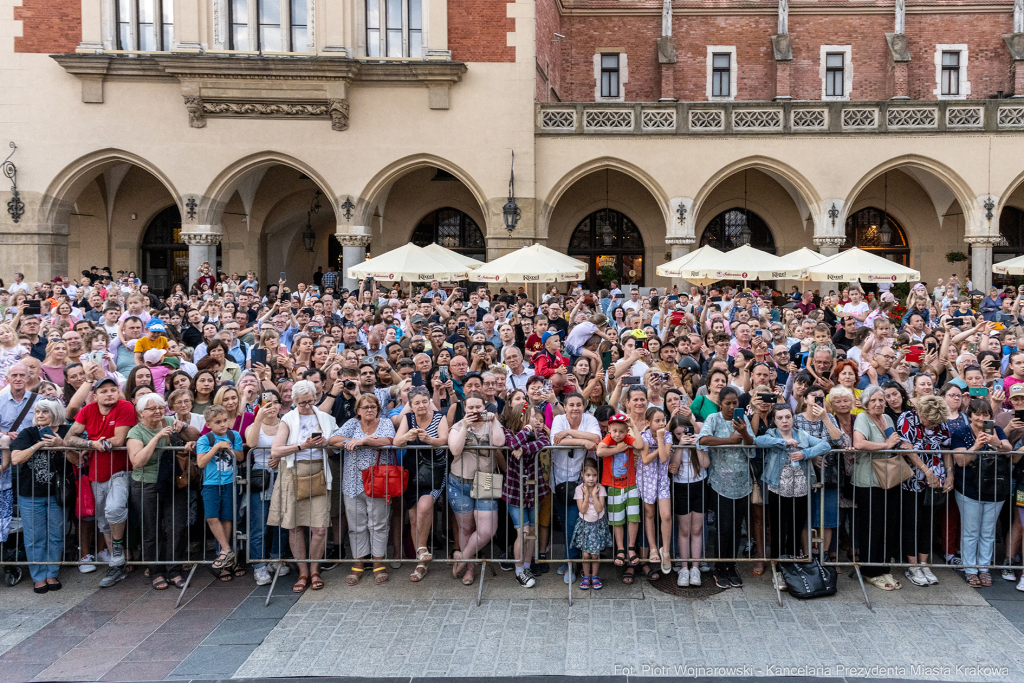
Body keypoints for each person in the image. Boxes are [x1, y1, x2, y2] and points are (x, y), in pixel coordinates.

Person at [64, 376, 137, 587]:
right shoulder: (88, 410)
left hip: (121, 470)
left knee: (114, 509)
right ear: (94, 395)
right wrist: (90, 442)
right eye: (103, 391)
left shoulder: (124, 406)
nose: (109, 394)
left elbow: (118, 440)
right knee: (104, 520)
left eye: (113, 389)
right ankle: (117, 566)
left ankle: (117, 555)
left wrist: (97, 442)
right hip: (96, 472)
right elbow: (70, 437)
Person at [126, 393, 199, 589]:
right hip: (146, 483)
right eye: (152, 409)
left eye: (160, 407)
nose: (158, 412)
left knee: (177, 526)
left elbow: (195, 436)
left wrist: (183, 426)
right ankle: (156, 571)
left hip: (173, 481)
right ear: (141, 412)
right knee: (151, 529)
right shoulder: (136, 432)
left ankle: (174, 569)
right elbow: (138, 461)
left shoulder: (170, 420)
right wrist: (157, 437)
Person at [270, 380, 337, 592]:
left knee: (319, 527)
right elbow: (275, 451)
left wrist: (327, 444)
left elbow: (335, 450)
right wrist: (302, 445)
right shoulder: (288, 419)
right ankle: (302, 571)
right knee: (295, 525)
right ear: (294, 401)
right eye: (302, 403)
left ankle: (315, 569)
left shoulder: (326, 418)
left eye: (311, 401)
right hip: (293, 472)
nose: (308, 406)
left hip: (319, 471)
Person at [754, 404, 830, 584]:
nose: (784, 421)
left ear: (793, 418)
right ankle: (779, 569)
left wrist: (806, 453)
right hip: (778, 488)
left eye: (787, 417)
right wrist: (784, 442)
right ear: (774, 420)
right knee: (779, 529)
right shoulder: (772, 434)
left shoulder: (802, 434)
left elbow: (825, 445)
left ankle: (793, 568)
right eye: (780, 418)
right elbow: (758, 441)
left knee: (796, 528)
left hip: (801, 488)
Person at [952, 399, 1019, 587]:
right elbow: (960, 462)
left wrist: (997, 443)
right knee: (971, 531)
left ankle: (984, 568)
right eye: (977, 414)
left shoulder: (996, 430)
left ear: (990, 415)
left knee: (988, 532)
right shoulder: (960, 433)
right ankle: (970, 569)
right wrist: (975, 446)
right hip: (969, 488)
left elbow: (1009, 449)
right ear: (970, 415)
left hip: (995, 488)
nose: (982, 418)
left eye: (985, 414)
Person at [8, 399, 72, 593]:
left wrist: (61, 444)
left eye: (45, 412)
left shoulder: (66, 431)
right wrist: (38, 446)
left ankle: (51, 573)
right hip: (31, 494)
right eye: (37, 412)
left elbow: (77, 459)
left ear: (55, 413)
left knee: (55, 535)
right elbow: (16, 458)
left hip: (58, 493)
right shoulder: (29, 433)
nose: (40, 415)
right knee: (34, 536)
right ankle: (38, 576)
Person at [697, 386, 754, 589]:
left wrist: (744, 433)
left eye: (735, 403)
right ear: (720, 403)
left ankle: (731, 566)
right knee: (724, 527)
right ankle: (719, 568)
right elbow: (702, 439)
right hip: (720, 483)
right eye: (728, 403)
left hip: (742, 483)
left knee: (737, 528)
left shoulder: (743, 420)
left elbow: (751, 447)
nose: (731, 407)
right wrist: (728, 440)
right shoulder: (713, 418)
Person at [447, 392, 506, 586]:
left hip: (486, 480)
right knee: (466, 529)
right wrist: (465, 425)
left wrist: (494, 420)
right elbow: (455, 450)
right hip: (459, 482)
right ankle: (470, 569)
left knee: (487, 530)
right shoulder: (457, 427)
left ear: (484, 407)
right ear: (465, 408)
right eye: (470, 407)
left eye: (478, 407)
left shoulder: (492, 424)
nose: (474, 411)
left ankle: (462, 559)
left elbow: (499, 443)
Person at [852, 384, 905, 591]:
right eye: (873, 400)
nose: (878, 403)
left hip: (888, 479)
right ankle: (870, 571)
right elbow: (859, 444)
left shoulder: (888, 418)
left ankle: (884, 568)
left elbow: (894, 441)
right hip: (868, 480)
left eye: (881, 400)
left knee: (888, 525)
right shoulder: (863, 418)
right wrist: (886, 445)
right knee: (872, 527)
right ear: (866, 402)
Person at [895, 394, 952, 586]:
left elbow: (946, 450)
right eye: (930, 421)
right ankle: (912, 566)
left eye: (937, 422)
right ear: (921, 413)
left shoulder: (940, 423)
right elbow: (907, 449)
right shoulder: (907, 418)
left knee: (928, 522)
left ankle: (924, 563)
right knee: (913, 522)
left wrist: (949, 474)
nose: (933, 424)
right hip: (913, 479)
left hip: (935, 480)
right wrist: (926, 471)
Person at [393, 386, 449, 582]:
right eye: (416, 402)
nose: (421, 405)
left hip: (434, 468)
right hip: (412, 468)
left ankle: (423, 548)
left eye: (424, 401)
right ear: (411, 405)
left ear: (429, 402)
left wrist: (430, 440)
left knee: (425, 507)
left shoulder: (439, 417)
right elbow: (396, 441)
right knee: (414, 517)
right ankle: (421, 561)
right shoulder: (408, 419)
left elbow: (444, 440)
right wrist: (407, 437)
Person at [501, 403, 550, 588]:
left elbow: (545, 443)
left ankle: (527, 566)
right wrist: (526, 431)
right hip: (515, 491)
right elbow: (512, 444)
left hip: (534, 490)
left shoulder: (538, 432)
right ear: (521, 418)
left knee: (532, 532)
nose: (536, 420)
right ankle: (519, 570)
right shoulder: (509, 432)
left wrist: (525, 448)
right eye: (531, 417)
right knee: (522, 531)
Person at [196, 405, 245, 581]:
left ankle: (226, 559)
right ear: (209, 424)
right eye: (218, 422)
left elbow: (240, 457)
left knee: (227, 518)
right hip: (210, 484)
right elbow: (201, 463)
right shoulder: (204, 439)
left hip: (229, 483)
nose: (223, 425)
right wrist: (216, 447)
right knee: (211, 517)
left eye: (225, 420)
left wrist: (230, 448)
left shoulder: (234, 436)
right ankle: (226, 550)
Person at [244, 389, 287, 585]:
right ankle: (259, 566)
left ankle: (276, 558)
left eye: (275, 402)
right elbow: (251, 445)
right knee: (259, 523)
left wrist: (279, 458)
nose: (272, 406)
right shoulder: (254, 425)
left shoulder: (287, 425)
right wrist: (258, 419)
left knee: (281, 521)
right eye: (267, 402)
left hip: (282, 473)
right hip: (260, 477)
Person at [596, 413, 642, 584]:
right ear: (609, 429)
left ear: (626, 431)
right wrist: (617, 449)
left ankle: (631, 547)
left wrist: (633, 427)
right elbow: (600, 451)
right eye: (614, 430)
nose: (617, 434)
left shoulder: (628, 437)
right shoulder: (609, 439)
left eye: (621, 431)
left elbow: (639, 444)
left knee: (633, 517)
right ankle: (620, 548)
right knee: (617, 520)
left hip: (630, 484)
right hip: (613, 486)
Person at [668, 414, 706, 587]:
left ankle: (695, 567)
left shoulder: (697, 440)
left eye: (685, 432)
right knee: (684, 529)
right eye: (678, 434)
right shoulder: (673, 445)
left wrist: (697, 444)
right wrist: (680, 446)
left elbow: (705, 464)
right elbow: (673, 469)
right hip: (681, 486)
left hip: (699, 485)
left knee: (697, 529)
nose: (682, 435)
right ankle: (684, 567)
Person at [638, 407, 673, 578]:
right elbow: (645, 459)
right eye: (657, 420)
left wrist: (660, 439)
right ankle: (652, 546)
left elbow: (665, 458)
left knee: (666, 515)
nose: (661, 423)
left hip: (662, 480)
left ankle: (665, 550)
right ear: (648, 422)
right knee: (650, 513)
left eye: (663, 420)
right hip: (647, 479)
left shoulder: (667, 436)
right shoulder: (643, 437)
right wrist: (660, 447)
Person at [571, 458, 612, 591]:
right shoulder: (579, 490)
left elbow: (600, 508)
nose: (591, 479)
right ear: (582, 474)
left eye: (594, 475)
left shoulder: (601, 489)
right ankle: (586, 576)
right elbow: (582, 510)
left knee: (595, 554)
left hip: (597, 525)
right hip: (585, 525)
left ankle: (595, 576)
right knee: (586, 554)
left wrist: (594, 495)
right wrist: (586, 494)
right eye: (588, 475)